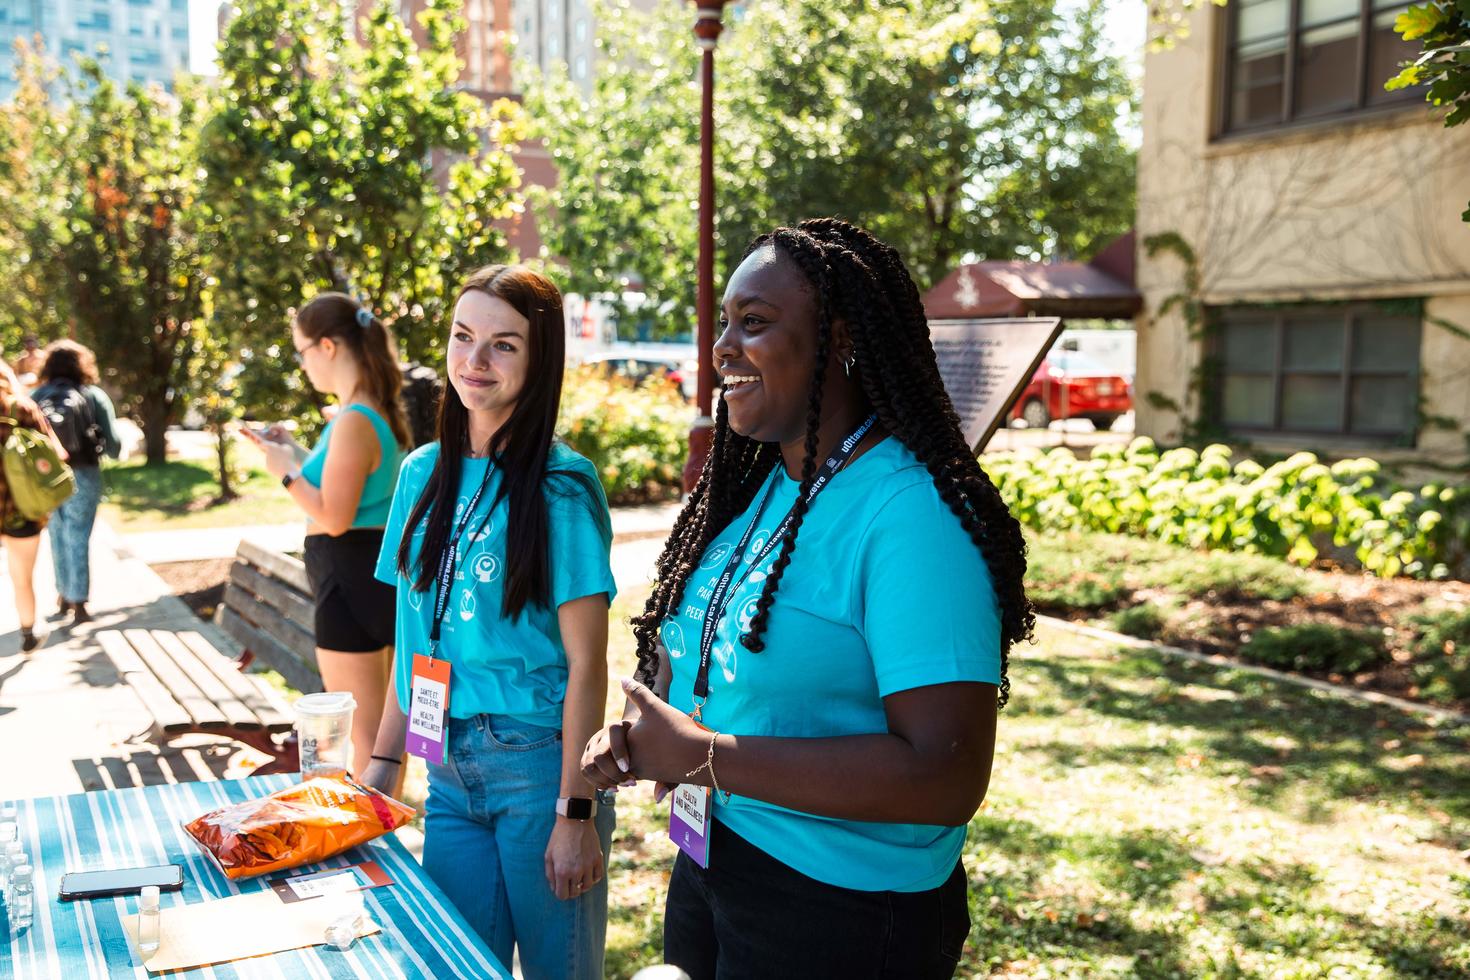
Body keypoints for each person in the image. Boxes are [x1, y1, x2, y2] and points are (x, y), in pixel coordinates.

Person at [580, 219, 1035, 979]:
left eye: (753, 324)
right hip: (715, 860)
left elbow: (948, 775)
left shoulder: (910, 515)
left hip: (842, 911)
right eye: (724, 323)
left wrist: (704, 755)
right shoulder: (764, 486)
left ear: (843, 339)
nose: (722, 348)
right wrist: (650, 729)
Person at [360, 265, 617, 980]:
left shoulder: (562, 486)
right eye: (463, 336)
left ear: (539, 362)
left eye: (503, 345)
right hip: (445, 770)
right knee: (452, 967)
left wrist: (576, 812)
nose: (474, 361)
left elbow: (589, 665)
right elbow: (411, 640)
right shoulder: (420, 474)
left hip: (536, 765)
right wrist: (382, 772)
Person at [242, 293, 410, 780]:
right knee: (379, 736)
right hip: (363, 576)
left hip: (350, 580)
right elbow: (345, 485)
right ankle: (384, 824)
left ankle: (376, 837)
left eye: (302, 350)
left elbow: (334, 516)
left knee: (368, 737)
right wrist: (290, 450)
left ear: (329, 346)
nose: (303, 363)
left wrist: (285, 472)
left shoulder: (355, 419)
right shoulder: (362, 411)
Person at [32, 340, 122, 626]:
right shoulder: (93, 396)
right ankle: (80, 601)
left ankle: (63, 595)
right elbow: (115, 445)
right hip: (84, 473)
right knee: (78, 536)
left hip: (46, 477)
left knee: (57, 534)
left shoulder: (36, 396)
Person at [0, 362, 64, 652]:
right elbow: (58, 453)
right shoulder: (23, 408)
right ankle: (28, 635)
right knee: (22, 579)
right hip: (22, 510)